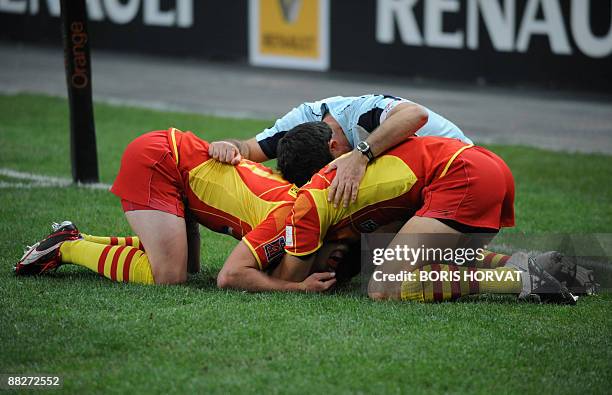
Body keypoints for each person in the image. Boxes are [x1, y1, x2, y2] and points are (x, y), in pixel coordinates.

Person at [268, 122, 577, 304]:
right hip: (485, 163)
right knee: (414, 258)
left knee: (382, 288)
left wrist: (262, 258)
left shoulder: (308, 200)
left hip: (463, 175)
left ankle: (519, 280)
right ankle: (530, 264)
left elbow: (290, 276)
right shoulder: (351, 169)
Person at [14, 127, 335, 292]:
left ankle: (75, 236)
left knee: (189, 267)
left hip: (173, 157)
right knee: (168, 276)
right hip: (159, 160)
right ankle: (68, 247)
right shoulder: (291, 211)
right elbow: (230, 276)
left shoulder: (292, 198)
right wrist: (296, 288)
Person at [208, 94, 471, 208]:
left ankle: (508, 276)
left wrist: (359, 156)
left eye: (333, 166)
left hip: (460, 174)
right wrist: (228, 147)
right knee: (370, 253)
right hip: (421, 182)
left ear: (334, 146)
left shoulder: (362, 111)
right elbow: (248, 149)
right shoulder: (300, 119)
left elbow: (416, 114)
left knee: (390, 273)